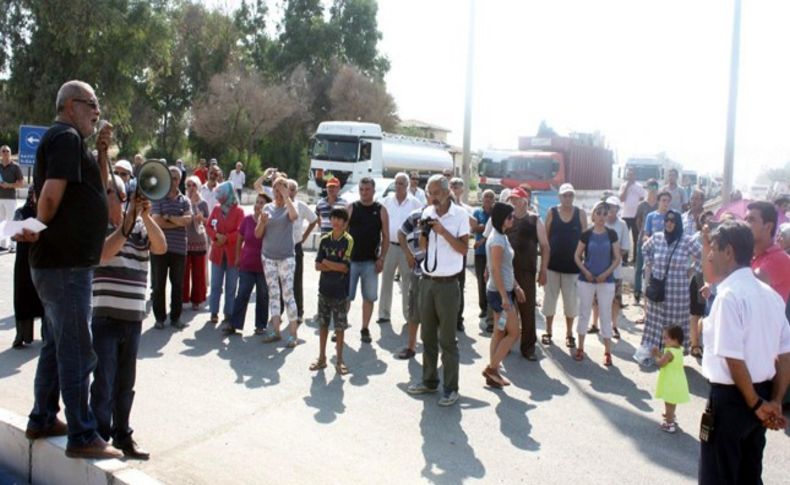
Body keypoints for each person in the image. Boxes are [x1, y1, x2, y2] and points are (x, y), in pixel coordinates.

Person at [24, 80, 122, 459]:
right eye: (91, 104)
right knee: (78, 351)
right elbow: (51, 194)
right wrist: (36, 225)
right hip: (64, 267)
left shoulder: (73, 142)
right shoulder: (64, 137)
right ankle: (82, 434)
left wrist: (101, 152)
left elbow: (97, 191)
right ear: (69, 106)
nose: (97, 111)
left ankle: (43, 416)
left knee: (55, 346)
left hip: (62, 265)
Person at [699, 221, 790, 485]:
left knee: (719, 477)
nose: (710, 255)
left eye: (714, 248)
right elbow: (786, 355)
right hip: (759, 398)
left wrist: (758, 404)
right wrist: (773, 401)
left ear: (728, 252)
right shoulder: (770, 296)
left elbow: (733, 358)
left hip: (733, 401)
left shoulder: (729, 296)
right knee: (749, 476)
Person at [90, 175, 166, 459]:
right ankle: (98, 436)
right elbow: (104, 253)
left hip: (132, 319)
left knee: (125, 384)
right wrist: (127, 222)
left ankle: (123, 435)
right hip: (105, 318)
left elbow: (160, 247)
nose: (104, 195)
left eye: (109, 191)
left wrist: (145, 217)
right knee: (104, 381)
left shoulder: (140, 227)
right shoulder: (98, 227)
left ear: (121, 197)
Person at [407, 175, 470, 407]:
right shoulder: (427, 213)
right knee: (428, 336)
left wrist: (443, 232)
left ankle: (451, 388)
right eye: (429, 193)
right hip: (428, 280)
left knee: (447, 340)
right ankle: (429, 380)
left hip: (448, 285)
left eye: (435, 192)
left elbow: (464, 250)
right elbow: (423, 248)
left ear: (445, 192)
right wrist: (424, 233)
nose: (431, 196)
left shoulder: (460, 215)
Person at [637, 210, 702, 363]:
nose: (669, 223)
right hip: (658, 290)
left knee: (674, 325)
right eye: (667, 220)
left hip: (677, 294)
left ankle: (673, 357)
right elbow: (644, 248)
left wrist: (692, 270)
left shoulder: (686, 240)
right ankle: (655, 353)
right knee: (655, 322)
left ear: (678, 222)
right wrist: (649, 262)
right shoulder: (658, 237)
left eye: (673, 220)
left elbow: (703, 255)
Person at [484, 202, 526, 387]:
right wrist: (504, 297)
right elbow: (495, 270)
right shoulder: (498, 241)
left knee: (499, 331)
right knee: (514, 333)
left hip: (504, 290)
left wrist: (516, 286)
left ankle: (493, 372)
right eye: (510, 216)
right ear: (502, 218)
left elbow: (506, 268)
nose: (513, 218)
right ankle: (492, 369)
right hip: (499, 293)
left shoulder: (502, 236)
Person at [574, 201, 621, 366]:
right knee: (584, 313)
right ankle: (580, 348)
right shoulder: (586, 234)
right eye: (598, 213)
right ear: (593, 215)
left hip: (606, 281)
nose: (601, 217)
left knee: (605, 315)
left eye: (604, 213)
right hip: (586, 280)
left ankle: (607, 352)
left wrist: (605, 274)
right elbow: (577, 256)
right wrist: (585, 271)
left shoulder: (611, 234)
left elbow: (617, 258)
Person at [505, 187, 549, 359]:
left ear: (525, 200)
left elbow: (545, 246)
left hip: (526, 273)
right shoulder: (507, 219)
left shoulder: (535, 220)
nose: (514, 202)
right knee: (506, 310)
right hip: (507, 271)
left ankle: (528, 347)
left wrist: (543, 270)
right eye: (512, 199)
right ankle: (505, 344)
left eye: (517, 199)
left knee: (527, 311)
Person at [543, 183, 587, 349]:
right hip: (552, 265)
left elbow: (585, 237)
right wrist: (544, 264)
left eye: (570, 195)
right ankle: (548, 331)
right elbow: (545, 239)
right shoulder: (552, 212)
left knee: (570, 303)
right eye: (564, 195)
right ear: (559, 197)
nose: (567, 198)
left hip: (573, 267)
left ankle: (569, 334)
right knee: (549, 301)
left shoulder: (580, 214)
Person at [310, 208, 354, 375]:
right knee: (323, 325)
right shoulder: (324, 240)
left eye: (339, 219)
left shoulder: (348, 241)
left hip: (340, 292)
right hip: (324, 289)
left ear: (344, 223)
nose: (335, 221)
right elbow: (317, 266)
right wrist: (331, 265)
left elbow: (344, 268)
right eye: (333, 218)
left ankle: (340, 360)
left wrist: (327, 263)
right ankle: (321, 358)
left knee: (340, 327)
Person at [257, 177, 300, 347]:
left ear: (288, 191)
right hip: (268, 257)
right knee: (273, 294)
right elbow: (258, 234)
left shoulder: (290, 206)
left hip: (286, 257)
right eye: (275, 188)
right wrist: (262, 222)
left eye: (282, 188)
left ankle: (293, 335)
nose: (278, 192)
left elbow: (294, 216)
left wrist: (286, 196)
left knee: (288, 294)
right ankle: (275, 331)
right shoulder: (267, 208)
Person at [347, 177, 389, 343]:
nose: (364, 192)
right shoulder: (351, 208)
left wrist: (382, 258)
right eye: (361, 189)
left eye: (367, 189)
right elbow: (342, 232)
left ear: (373, 190)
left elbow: (385, 236)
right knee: (346, 297)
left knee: (369, 298)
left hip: (371, 262)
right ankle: (341, 326)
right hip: (350, 261)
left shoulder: (381, 210)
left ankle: (365, 328)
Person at [151, 166, 192, 330]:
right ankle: (159, 318)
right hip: (159, 248)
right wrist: (177, 221)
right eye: (170, 177)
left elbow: (188, 221)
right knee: (158, 285)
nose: (173, 180)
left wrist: (167, 217)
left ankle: (176, 317)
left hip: (179, 249)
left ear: (180, 180)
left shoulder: (185, 200)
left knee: (177, 285)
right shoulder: (158, 198)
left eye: (176, 178)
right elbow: (156, 221)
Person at [378, 172, 421, 325]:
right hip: (389, 245)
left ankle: (408, 315)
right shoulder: (386, 201)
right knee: (386, 279)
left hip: (407, 248)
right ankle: (384, 313)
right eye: (396, 183)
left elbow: (419, 227)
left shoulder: (415, 203)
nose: (398, 186)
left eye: (401, 183)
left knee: (407, 282)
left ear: (407, 185)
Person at [227, 193, 269, 336]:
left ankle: (260, 325)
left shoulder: (270, 222)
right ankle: (234, 324)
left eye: (262, 203)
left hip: (264, 266)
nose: (258, 205)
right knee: (243, 292)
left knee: (263, 295)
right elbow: (239, 240)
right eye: (257, 202)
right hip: (247, 264)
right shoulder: (246, 220)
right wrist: (238, 257)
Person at [589, 196, 630, 339]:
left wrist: (613, 256)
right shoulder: (599, 223)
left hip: (615, 270)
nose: (611, 210)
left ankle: (614, 326)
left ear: (618, 209)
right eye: (609, 207)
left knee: (615, 300)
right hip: (598, 269)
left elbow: (625, 247)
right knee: (596, 299)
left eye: (614, 207)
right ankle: (594, 324)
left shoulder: (622, 225)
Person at [207, 182, 244, 327]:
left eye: (221, 193)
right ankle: (213, 312)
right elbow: (209, 226)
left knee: (231, 286)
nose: (218, 196)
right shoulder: (216, 209)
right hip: (217, 252)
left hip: (232, 254)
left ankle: (228, 314)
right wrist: (216, 236)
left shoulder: (239, 211)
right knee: (215, 285)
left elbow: (241, 232)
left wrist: (226, 238)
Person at [12, 186, 44, 348]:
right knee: (23, 296)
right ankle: (22, 335)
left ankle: (48, 335)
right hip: (24, 262)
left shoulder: (47, 213)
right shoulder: (21, 212)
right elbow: (12, 231)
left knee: (45, 299)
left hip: (43, 260)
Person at [396, 205, 428, 360]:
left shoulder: (448, 216)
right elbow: (401, 233)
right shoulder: (416, 215)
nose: (435, 196)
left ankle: (437, 348)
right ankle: (411, 346)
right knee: (414, 311)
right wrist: (408, 253)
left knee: (437, 314)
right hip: (417, 272)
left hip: (439, 276)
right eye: (432, 192)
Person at [747, 201, 790, 304]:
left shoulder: (779, 258)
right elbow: (711, 277)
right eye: (746, 219)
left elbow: (750, 284)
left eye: (751, 220)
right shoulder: (752, 255)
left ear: (768, 227)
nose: (746, 224)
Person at [288, 179, 318, 325]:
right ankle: (280, 312)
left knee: (296, 281)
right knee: (281, 281)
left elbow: (314, 220)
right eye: (288, 188)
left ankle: (299, 312)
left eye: (293, 189)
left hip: (296, 247)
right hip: (281, 248)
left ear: (297, 191)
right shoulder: (279, 205)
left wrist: (304, 237)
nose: (291, 191)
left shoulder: (300, 205)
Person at [652, 325, 690, 434]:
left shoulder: (669, 352)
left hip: (670, 381)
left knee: (669, 401)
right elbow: (666, 358)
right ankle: (671, 416)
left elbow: (661, 363)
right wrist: (659, 353)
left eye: (665, 338)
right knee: (672, 401)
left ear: (675, 339)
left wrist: (655, 355)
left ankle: (669, 423)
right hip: (677, 380)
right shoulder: (678, 350)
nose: (663, 340)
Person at [449, 177, 475, 331]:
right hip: (446, 251)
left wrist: (459, 208)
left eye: (457, 186)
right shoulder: (444, 207)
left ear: (462, 190)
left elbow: (473, 224)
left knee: (459, 285)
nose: (454, 188)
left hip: (460, 251)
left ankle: (458, 318)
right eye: (452, 185)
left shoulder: (466, 209)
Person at [182, 175, 209, 310]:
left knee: (198, 273)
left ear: (198, 187)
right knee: (184, 272)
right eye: (188, 185)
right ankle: (183, 298)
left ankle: (197, 300)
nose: (191, 188)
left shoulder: (203, 203)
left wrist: (201, 218)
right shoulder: (182, 201)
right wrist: (191, 204)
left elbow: (209, 222)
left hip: (199, 241)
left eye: (194, 185)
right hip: (185, 241)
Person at [633, 179, 659, 304]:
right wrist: (641, 232)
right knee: (639, 267)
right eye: (650, 186)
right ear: (647, 188)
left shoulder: (660, 204)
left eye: (655, 186)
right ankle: (637, 292)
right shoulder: (642, 205)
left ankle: (649, 293)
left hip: (657, 242)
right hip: (642, 240)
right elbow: (637, 220)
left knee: (653, 268)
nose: (653, 188)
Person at [472, 190, 495, 329]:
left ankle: (492, 307)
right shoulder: (476, 212)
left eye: (490, 197)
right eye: (486, 196)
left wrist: (483, 227)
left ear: (494, 199)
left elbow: (493, 228)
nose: (487, 198)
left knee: (492, 281)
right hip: (480, 252)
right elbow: (474, 228)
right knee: (481, 280)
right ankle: (483, 308)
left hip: (493, 252)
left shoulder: (496, 212)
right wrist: (482, 227)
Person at [0, 145, 25, 252]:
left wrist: (8, 185)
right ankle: (3, 245)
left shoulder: (16, 167)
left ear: (10, 153)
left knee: (11, 222)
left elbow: (21, 184)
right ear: (1, 153)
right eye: (3, 151)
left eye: (7, 151)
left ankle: (13, 246)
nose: (5, 152)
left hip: (10, 199)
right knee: (1, 222)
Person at [618, 167, 645, 263]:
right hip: (625, 215)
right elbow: (621, 199)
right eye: (628, 174)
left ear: (635, 175)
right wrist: (627, 187)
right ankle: (624, 259)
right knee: (624, 238)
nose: (630, 176)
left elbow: (642, 198)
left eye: (632, 174)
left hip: (636, 216)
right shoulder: (623, 186)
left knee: (636, 238)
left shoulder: (639, 186)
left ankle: (635, 259)